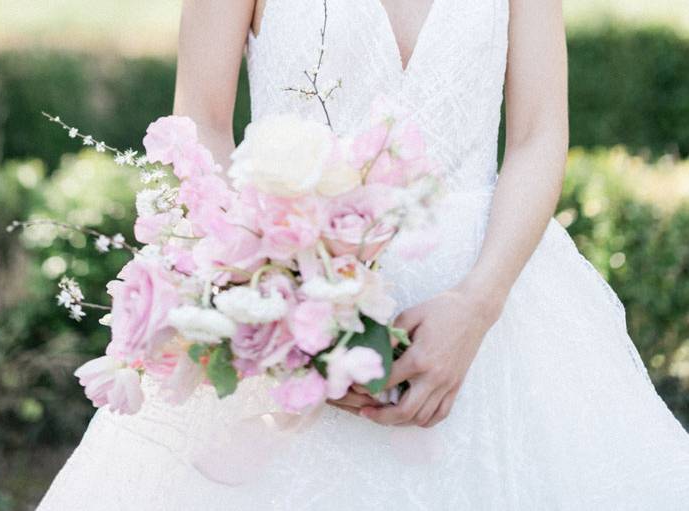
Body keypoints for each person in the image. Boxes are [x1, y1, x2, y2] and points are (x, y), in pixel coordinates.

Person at [38, 0, 689, 509]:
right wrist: (282, 310)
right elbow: (200, 121)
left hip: (496, 300)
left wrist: (477, 303)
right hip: (285, 279)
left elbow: (536, 135)